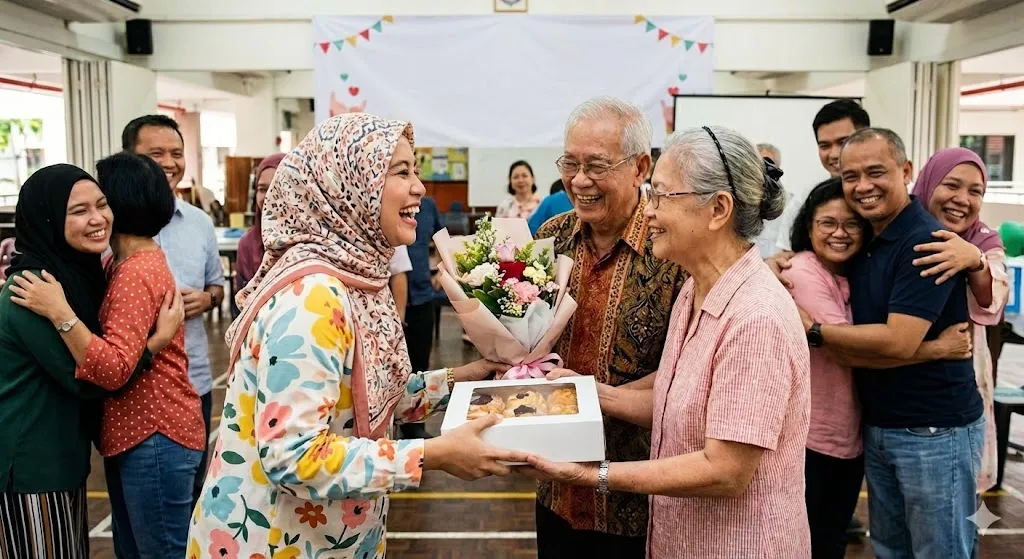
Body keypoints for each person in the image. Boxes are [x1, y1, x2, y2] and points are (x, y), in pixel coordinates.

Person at [189, 113, 528, 557]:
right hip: (270, 542)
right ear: (349, 187)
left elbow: (376, 393)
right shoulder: (313, 298)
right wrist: (433, 455)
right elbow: (293, 457)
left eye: (418, 171)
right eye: (401, 171)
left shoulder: (359, 279)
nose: (419, 187)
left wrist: (472, 375)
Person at [522, 125, 811, 558]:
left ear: (718, 209)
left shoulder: (756, 318)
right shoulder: (697, 292)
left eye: (660, 196)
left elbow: (725, 470)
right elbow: (675, 399)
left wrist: (594, 476)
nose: (649, 212)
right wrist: (584, 393)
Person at [791, 128, 983, 558]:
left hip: (933, 429)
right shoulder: (871, 239)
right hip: (880, 426)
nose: (863, 186)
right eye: (850, 175)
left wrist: (814, 331)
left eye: (876, 172)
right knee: (891, 550)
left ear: (906, 171)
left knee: (941, 551)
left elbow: (897, 341)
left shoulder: (924, 242)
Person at [11, 153, 205, 557]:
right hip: (131, 437)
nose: (98, 216)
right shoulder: (115, 266)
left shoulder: (133, 271)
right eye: (82, 208)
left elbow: (112, 369)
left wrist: (62, 314)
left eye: (101, 203)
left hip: (152, 432)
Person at [533, 97, 687, 557]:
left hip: (643, 495)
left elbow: (690, 371)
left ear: (640, 167)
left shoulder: (674, 248)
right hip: (556, 484)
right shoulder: (551, 238)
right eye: (570, 163)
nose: (580, 181)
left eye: (597, 165)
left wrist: (591, 395)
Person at [122, 114, 226, 506]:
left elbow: (217, 284)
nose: (169, 162)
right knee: (144, 509)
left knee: (194, 499)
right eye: (156, 153)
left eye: (176, 153)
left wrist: (210, 298)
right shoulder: (112, 226)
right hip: (131, 384)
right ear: (129, 158)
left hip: (193, 381)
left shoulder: (199, 222)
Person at [911, 147, 1010, 493]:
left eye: (975, 191)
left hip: (955, 393)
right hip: (895, 393)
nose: (962, 199)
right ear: (927, 182)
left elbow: (994, 295)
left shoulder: (983, 240)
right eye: (951, 185)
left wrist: (974, 260)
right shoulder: (899, 230)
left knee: (954, 502)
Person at [770, 100, 871, 267]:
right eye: (825, 145)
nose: (834, 154)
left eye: (843, 142)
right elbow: (786, 256)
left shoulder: (884, 195)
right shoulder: (806, 199)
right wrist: (774, 264)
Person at [400, 195, 445, 440]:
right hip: (388, 297)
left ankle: (414, 426)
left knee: (419, 364)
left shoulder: (427, 205)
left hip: (421, 293)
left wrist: (441, 267)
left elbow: (441, 236)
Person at [236, 153, 285, 296]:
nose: (268, 196)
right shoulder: (248, 244)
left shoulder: (309, 240)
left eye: (276, 188)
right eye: (262, 189)